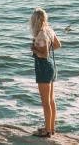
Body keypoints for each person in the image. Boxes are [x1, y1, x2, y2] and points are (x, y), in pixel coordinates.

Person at [30, 8, 61, 137]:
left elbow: (44, 55)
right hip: (52, 66)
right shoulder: (49, 30)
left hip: (43, 67)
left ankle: (47, 131)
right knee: (51, 100)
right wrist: (46, 48)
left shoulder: (41, 34)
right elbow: (58, 45)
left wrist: (34, 50)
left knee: (45, 101)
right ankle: (51, 128)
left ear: (35, 20)